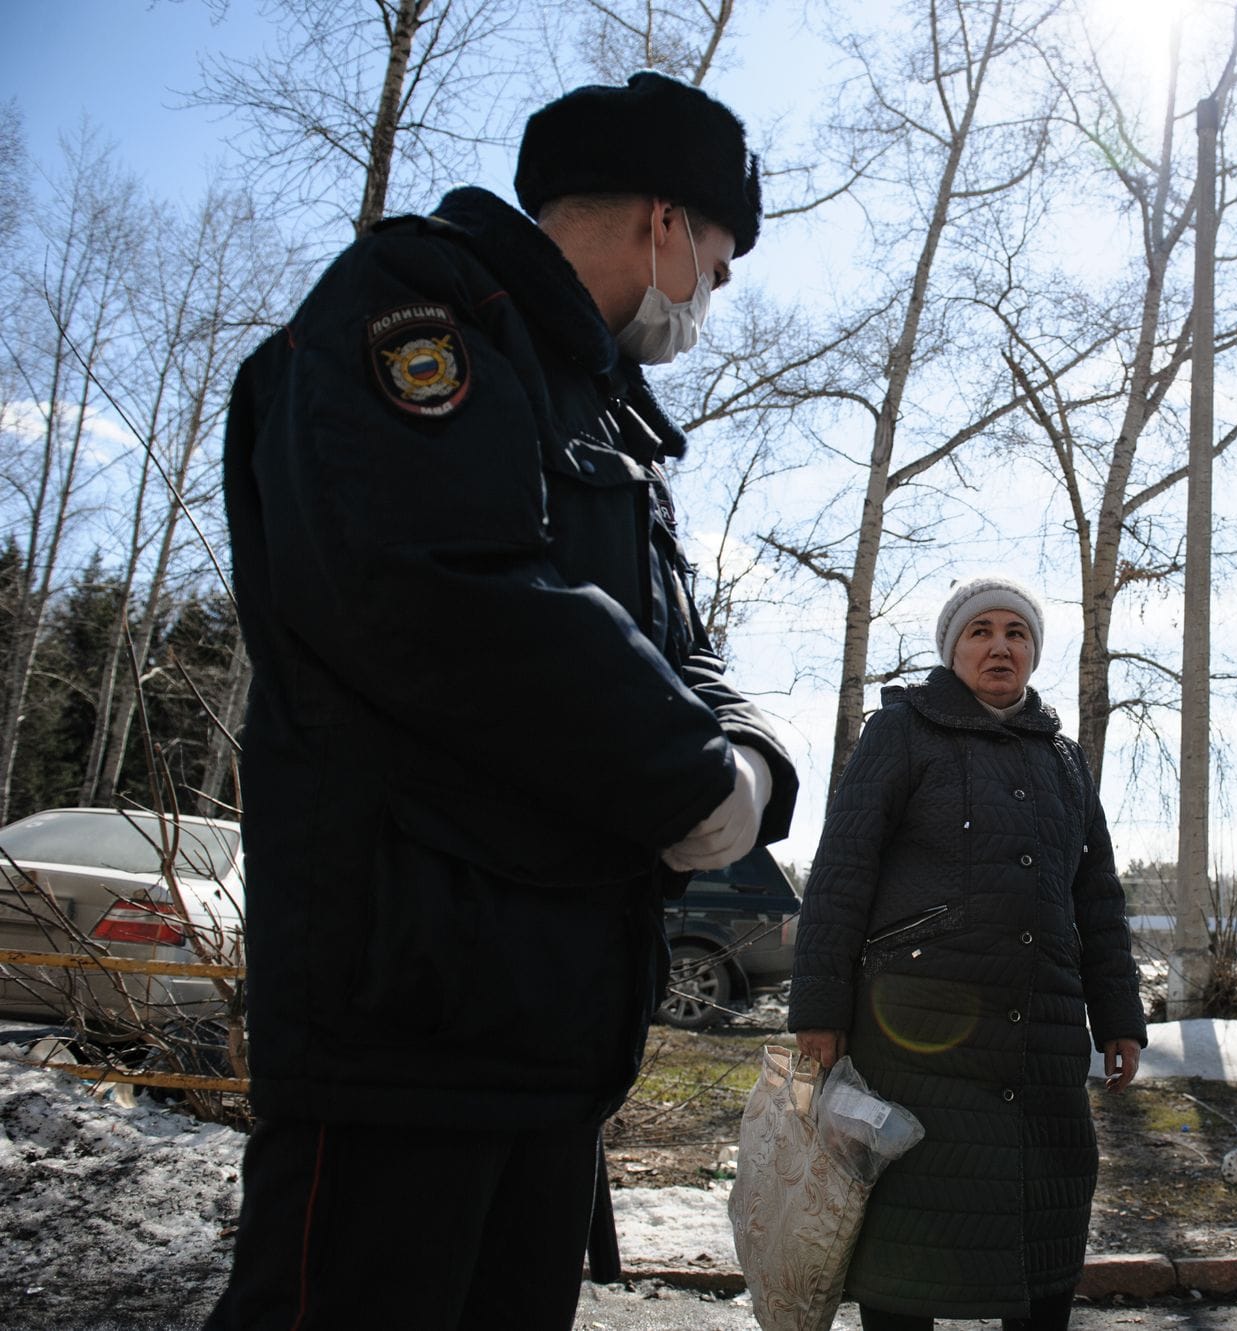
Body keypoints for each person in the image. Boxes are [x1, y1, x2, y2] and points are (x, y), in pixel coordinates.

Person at [207, 73, 798, 1330]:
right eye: (718, 255)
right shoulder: (415, 316)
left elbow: (675, 648)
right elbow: (447, 590)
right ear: (660, 223)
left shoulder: (604, 412)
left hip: (543, 1025)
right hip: (408, 1017)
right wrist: (683, 778)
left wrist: (745, 756)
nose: (716, 291)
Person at [789, 576, 1147, 1331]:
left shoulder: (1066, 760)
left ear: (1033, 653)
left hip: (1040, 1043)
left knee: (1041, 1231)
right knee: (908, 1235)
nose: (999, 645)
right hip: (915, 1039)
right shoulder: (904, 733)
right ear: (953, 649)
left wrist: (1120, 1015)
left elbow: (1099, 899)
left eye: (1016, 633)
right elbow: (844, 868)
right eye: (980, 630)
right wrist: (819, 1011)